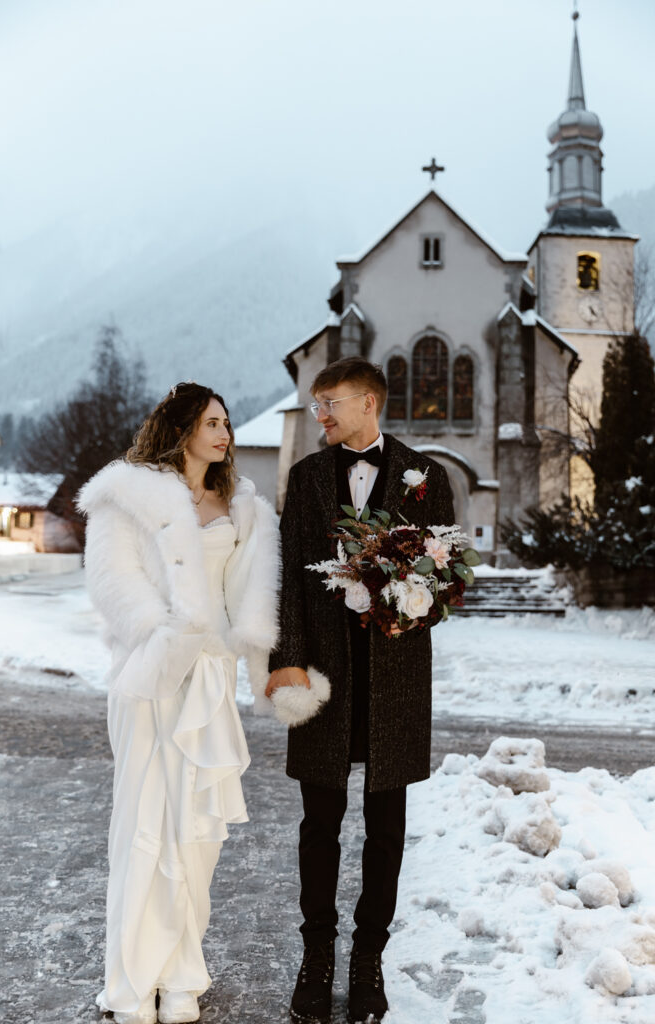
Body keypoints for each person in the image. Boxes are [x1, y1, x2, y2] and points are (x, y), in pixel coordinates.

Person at [78, 382, 279, 1024]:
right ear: (182, 427)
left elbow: (253, 597)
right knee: (144, 823)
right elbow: (112, 581)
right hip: (151, 675)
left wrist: (259, 662)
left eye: (227, 423)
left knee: (196, 835)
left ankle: (181, 975)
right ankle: (133, 983)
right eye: (212, 422)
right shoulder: (127, 495)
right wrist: (166, 637)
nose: (225, 434)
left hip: (212, 679)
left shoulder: (241, 506)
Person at [266, 357, 455, 1024]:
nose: (320, 414)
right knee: (319, 825)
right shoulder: (305, 477)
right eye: (316, 403)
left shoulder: (426, 476)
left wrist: (406, 602)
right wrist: (287, 662)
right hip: (322, 676)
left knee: (386, 828)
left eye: (331, 402)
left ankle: (368, 960)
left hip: (394, 678)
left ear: (369, 402)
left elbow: (444, 578)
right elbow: (288, 580)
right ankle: (316, 958)